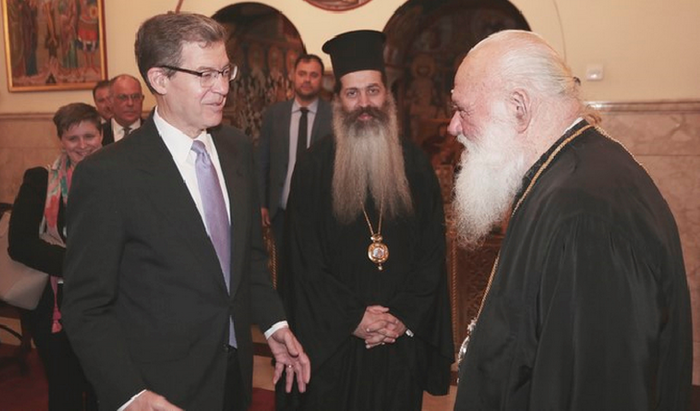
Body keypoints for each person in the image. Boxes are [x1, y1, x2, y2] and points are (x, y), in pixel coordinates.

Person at [61, 12, 310, 411]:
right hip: (157, 389)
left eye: (226, 71)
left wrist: (274, 323)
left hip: (234, 374)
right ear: (159, 79)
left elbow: (247, 259)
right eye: (205, 75)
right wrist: (128, 394)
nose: (222, 87)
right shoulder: (107, 175)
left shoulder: (237, 148)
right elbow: (85, 305)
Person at [449, 30, 692, 410]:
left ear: (518, 107)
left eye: (463, 109)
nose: (453, 127)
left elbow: (600, 391)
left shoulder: (585, 216)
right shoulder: (560, 177)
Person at [277, 30, 454, 411]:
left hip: (398, 344)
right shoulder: (312, 168)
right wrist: (353, 318)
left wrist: (401, 317)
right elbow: (302, 261)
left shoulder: (416, 166)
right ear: (337, 100)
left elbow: (431, 253)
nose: (364, 104)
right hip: (335, 346)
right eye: (352, 93)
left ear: (387, 95)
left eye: (372, 90)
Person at [8, 103, 101, 411]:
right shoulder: (40, 181)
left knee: (105, 386)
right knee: (66, 389)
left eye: (89, 135)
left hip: (107, 303)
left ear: (101, 135)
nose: (83, 145)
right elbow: (20, 244)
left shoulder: (119, 179)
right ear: (61, 140)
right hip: (54, 305)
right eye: (73, 138)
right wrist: (80, 266)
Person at [255, 53, 332, 263]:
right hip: (280, 212)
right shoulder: (275, 114)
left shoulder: (334, 116)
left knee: (315, 268)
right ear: (293, 76)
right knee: (282, 270)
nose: (307, 79)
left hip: (320, 213)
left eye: (314, 75)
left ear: (321, 79)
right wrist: (262, 202)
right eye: (302, 74)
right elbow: (262, 161)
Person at [101, 74, 144, 146]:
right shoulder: (99, 134)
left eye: (135, 97)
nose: (130, 103)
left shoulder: (155, 132)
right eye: (123, 97)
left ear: (142, 99)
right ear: (110, 101)